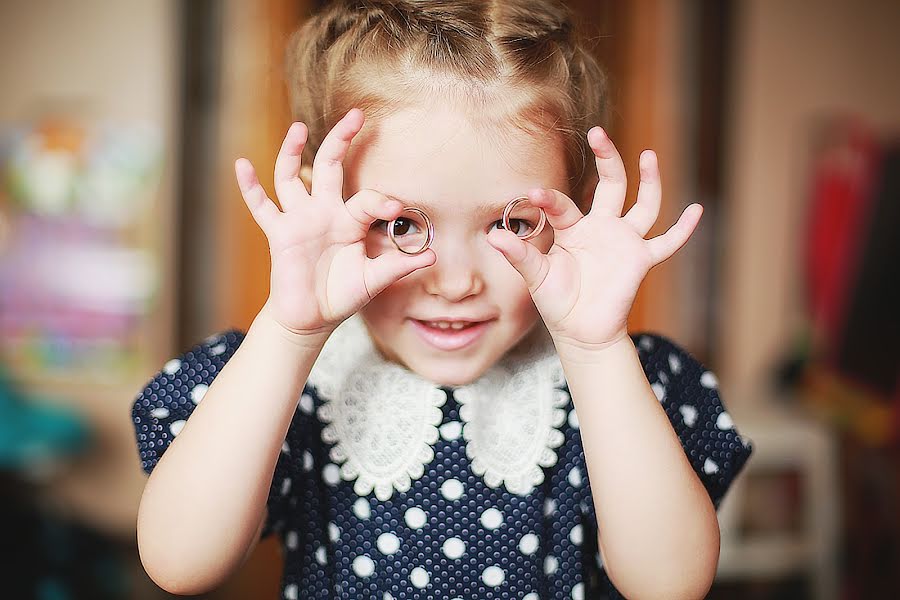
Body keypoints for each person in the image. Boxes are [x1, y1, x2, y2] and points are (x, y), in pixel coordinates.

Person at [131, 1, 752, 598]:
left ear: (574, 212)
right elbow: (180, 563)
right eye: (400, 224)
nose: (455, 284)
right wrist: (289, 334)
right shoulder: (278, 377)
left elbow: (671, 585)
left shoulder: (629, 380)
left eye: (511, 223)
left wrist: (595, 350)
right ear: (329, 207)